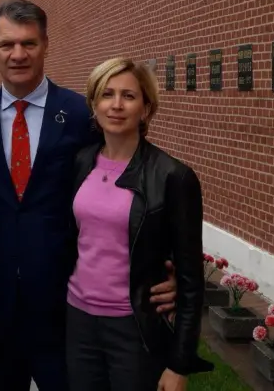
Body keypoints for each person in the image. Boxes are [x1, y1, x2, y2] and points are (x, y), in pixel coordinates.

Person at [0, 0, 177, 391]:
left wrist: (163, 266)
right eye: (7, 44)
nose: (18, 54)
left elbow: (129, 188)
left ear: (46, 45)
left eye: (29, 43)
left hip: (65, 308)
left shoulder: (80, 115)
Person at [66, 58, 212, 391]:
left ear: (146, 108)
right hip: (79, 322)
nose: (116, 105)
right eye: (107, 94)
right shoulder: (80, 163)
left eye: (129, 96)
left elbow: (191, 278)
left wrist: (180, 363)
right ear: (94, 104)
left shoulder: (173, 177)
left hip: (135, 330)